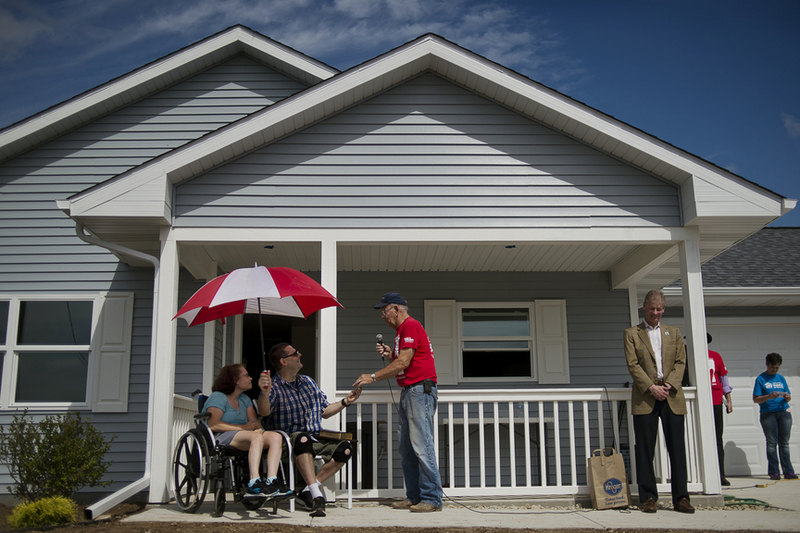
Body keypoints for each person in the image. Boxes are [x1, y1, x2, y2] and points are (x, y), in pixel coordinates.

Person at [353, 292, 443, 513]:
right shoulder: (402, 331)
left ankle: (432, 498)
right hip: (410, 391)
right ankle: (414, 497)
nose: (383, 316)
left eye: (385, 311)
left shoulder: (410, 326)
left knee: (421, 445)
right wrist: (389, 355)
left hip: (420, 390)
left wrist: (372, 377)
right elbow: (406, 361)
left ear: (397, 309)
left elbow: (403, 362)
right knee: (407, 447)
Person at [259, 342, 362, 517]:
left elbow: (325, 411)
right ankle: (317, 497)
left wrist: (345, 402)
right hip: (287, 442)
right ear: (283, 361)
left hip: (314, 437)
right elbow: (263, 412)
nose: (299, 355)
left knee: (345, 448)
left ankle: (308, 490)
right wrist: (264, 392)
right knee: (302, 438)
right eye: (295, 353)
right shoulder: (273, 386)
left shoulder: (308, 381)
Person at [623, 289, 694, 514]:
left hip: (672, 396)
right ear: (644, 307)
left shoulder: (674, 333)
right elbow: (633, 364)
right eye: (652, 308)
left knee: (677, 449)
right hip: (646, 397)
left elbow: (681, 362)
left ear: (664, 309)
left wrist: (669, 385)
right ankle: (648, 499)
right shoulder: (632, 334)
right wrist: (651, 387)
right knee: (645, 450)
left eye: (659, 309)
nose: (655, 312)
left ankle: (681, 498)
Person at [202, 364, 289, 498]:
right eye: (246, 376)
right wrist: (242, 428)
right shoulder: (218, 397)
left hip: (245, 436)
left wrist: (258, 428)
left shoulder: (244, 399)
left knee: (276, 437)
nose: (250, 378)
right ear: (235, 380)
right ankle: (254, 482)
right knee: (256, 437)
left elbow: (254, 421)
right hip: (221, 436)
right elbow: (213, 424)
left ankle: (272, 480)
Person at [753, 353, 797, 481]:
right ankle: (774, 472)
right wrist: (769, 396)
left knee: (785, 443)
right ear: (767, 364)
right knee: (772, 443)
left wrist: (788, 397)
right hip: (768, 413)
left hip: (783, 412)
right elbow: (756, 399)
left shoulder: (781, 378)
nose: (774, 370)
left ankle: (788, 471)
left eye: (777, 367)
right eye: (772, 367)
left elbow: (788, 395)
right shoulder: (761, 379)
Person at [707, 333, 733, 486]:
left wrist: (729, 400)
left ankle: (720, 475)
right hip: (699, 402)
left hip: (716, 399)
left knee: (717, 438)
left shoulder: (715, 356)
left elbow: (724, 379)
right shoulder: (688, 356)